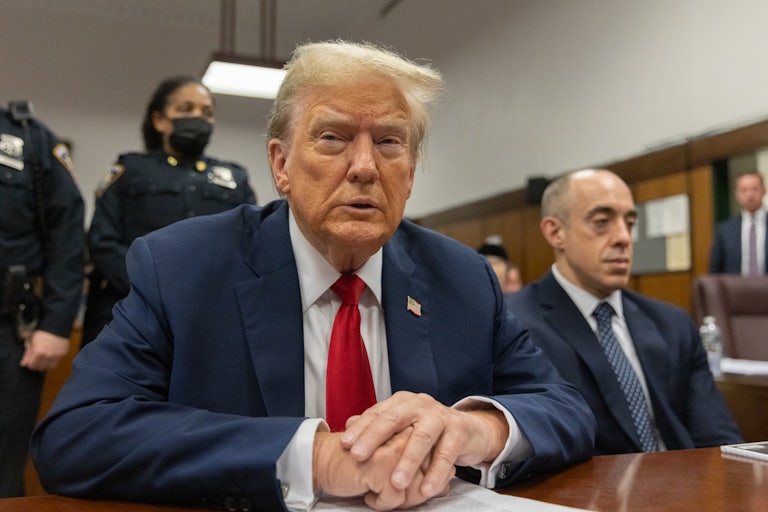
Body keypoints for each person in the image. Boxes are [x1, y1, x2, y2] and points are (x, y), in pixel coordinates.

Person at [31, 41, 595, 511]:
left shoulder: (462, 277)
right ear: (280, 165)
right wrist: (314, 456)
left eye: (390, 142)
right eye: (333, 138)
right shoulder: (182, 267)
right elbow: (76, 434)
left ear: (412, 171)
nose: (365, 167)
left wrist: (476, 428)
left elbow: (565, 408)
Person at [506, 169, 743, 455]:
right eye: (602, 222)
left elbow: (717, 437)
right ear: (556, 232)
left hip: (685, 485)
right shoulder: (514, 324)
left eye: (629, 223)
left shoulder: (673, 323)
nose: (623, 237)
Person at [81, 76, 256, 346]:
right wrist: (157, 289)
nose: (198, 117)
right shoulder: (130, 170)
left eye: (207, 112)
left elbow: (250, 246)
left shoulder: (235, 177)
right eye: (186, 109)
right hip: (131, 310)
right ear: (160, 120)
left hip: (209, 316)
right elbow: (103, 242)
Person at [0, 102, 84, 497]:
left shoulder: (29, 138)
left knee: (3, 468)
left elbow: (67, 234)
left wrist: (54, 324)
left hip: (8, 330)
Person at [709, 172, 767, 274]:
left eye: (755, 189)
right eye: (744, 190)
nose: (750, 195)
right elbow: (715, 270)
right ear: (737, 195)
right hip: (736, 288)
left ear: (764, 191)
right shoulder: (724, 230)